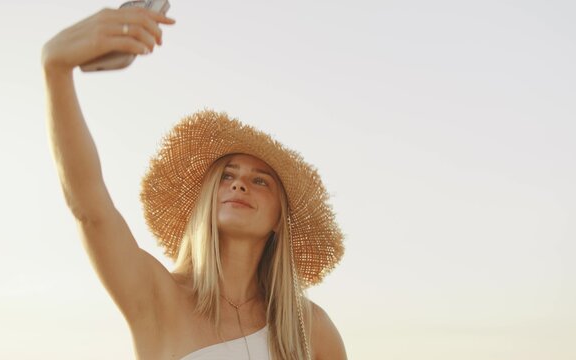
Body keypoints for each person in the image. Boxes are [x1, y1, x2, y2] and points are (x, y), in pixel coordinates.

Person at [42, 4, 347, 360]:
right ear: (206, 200)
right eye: (227, 175)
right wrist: (56, 69)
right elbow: (90, 210)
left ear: (280, 217)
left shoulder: (311, 327)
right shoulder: (159, 297)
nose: (239, 185)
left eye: (261, 181)